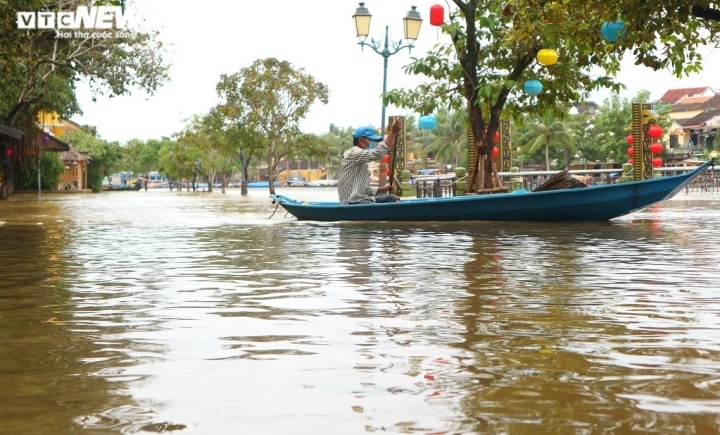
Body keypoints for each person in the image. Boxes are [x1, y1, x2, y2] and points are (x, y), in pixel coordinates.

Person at [337, 118, 402, 205]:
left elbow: (365, 189)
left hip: (361, 198)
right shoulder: (354, 152)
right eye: (370, 140)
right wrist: (393, 132)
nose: (371, 143)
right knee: (375, 205)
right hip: (352, 201)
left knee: (392, 198)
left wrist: (383, 189)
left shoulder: (362, 159)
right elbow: (378, 153)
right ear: (361, 140)